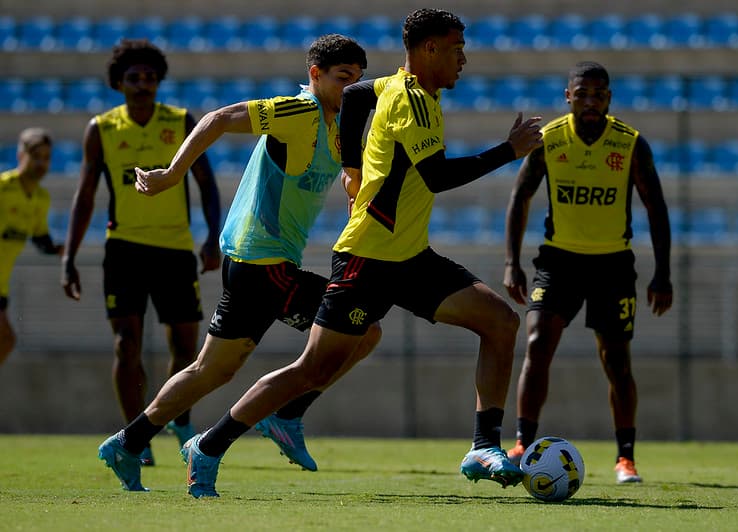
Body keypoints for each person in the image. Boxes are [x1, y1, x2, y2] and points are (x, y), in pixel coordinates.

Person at [179, 8, 544, 499]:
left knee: (499, 322)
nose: (464, 59)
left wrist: (351, 167)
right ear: (429, 49)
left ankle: (483, 446)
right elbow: (436, 177)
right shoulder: (412, 101)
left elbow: (354, 95)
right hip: (367, 259)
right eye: (456, 48)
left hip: (410, 257)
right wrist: (508, 150)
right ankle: (208, 446)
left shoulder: (394, 86)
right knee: (312, 370)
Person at [96, 33, 379, 493]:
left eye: (357, 80)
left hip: (257, 262)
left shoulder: (337, 126)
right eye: (342, 78)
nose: (350, 89)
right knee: (363, 331)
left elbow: (350, 180)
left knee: (211, 370)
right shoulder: (299, 111)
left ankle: (127, 443)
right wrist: (173, 173)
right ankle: (278, 419)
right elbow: (219, 118)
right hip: (263, 261)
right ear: (315, 74)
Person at [503, 61, 673, 484]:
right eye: (582, 94)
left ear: (609, 98)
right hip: (558, 261)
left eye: (599, 95)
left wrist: (662, 273)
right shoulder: (550, 140)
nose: (591, 102)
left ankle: (625, 457)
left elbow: (655, 207)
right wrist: (512, 262)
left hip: (612, 264)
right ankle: (522, 443)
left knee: (616, 362)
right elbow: (520, 197)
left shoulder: (629, 143)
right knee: (537, 342)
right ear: (568, 97)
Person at [61, 39, 222, 467]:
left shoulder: (180, 121)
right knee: (125, 345)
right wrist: (69, 257)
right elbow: (85, 195)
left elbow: (206, 184)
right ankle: (136, 437)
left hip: (175, 249)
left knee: (186, 347)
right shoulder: (101, 128)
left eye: (150, 77)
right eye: (134, 77)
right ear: (119, 83)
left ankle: (178, 419)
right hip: (124, 251)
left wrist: (212, 237)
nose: (143, 84)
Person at [0, 128, 64, 367]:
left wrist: (57, 249)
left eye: (46, 158)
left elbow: (40, 238)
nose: (41, 163)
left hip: (2, 286)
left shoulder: (41, 198)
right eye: (36, 156)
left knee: (5, 341)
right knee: (6, 338)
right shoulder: (3, 188)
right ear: (21, 156)